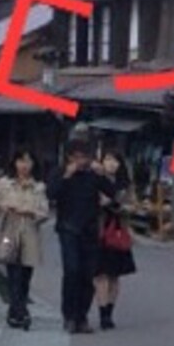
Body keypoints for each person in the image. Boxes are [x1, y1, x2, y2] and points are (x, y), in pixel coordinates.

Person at [47, 137, 116, 334]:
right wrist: (66, 176)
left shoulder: (93, 174)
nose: (81, 161)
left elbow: (111, 192)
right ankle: (69, 316)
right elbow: (51, 194)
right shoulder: (61, 172)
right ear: (69, 157)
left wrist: (103, 174)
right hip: (68, 229)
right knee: (72, 271)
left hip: (90, 229)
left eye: (84, 157)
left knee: (88, 275)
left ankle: (82, 316)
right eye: (76, 157)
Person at [0, 149, 49, 329]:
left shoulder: (38, 186)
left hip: (29, 234)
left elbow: (44, 212)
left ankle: (15, 311)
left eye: (28, 161)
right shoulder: (5, 183)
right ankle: (20, 311)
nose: (24, 165)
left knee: (25, 275)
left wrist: (31, 212)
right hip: (8, 233)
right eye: (21, 161)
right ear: (14, 162)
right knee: (13, 273)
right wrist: (2, 207)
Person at [93, 149, 136, 330]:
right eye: (108, 159)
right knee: (100, 275)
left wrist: (117, 205)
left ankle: (109, 311)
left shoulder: (125, 185)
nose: (111, 164)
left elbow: (132, 205)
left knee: (114, 276)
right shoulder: (95, 181)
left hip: (118, 231)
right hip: (99, 231)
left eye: (115, 160)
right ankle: (102, 313)